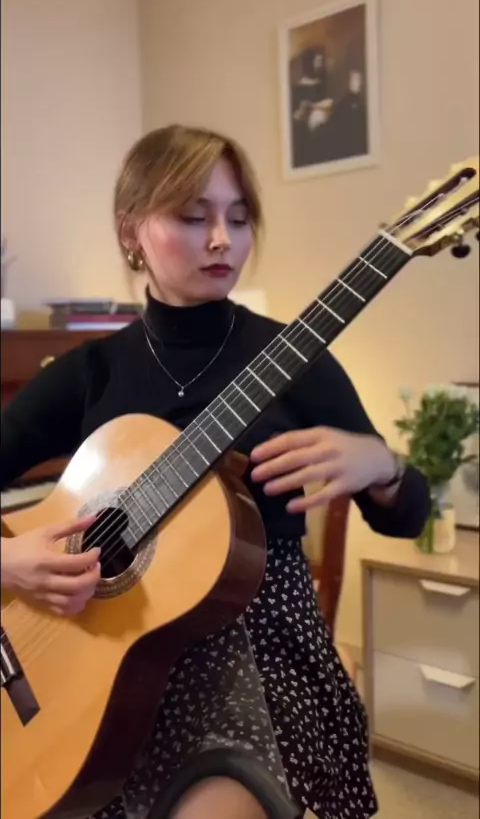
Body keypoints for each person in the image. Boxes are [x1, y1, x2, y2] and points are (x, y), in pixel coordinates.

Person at [1, 124, 430, 819]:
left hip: (260, 643)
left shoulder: (296, 357)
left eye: (239, 217)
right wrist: (9, 561)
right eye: (193, 217)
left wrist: (382, 465)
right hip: (101, 651)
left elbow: (408, 517)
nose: (222, 240)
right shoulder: (89, 372)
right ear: (131, 230)